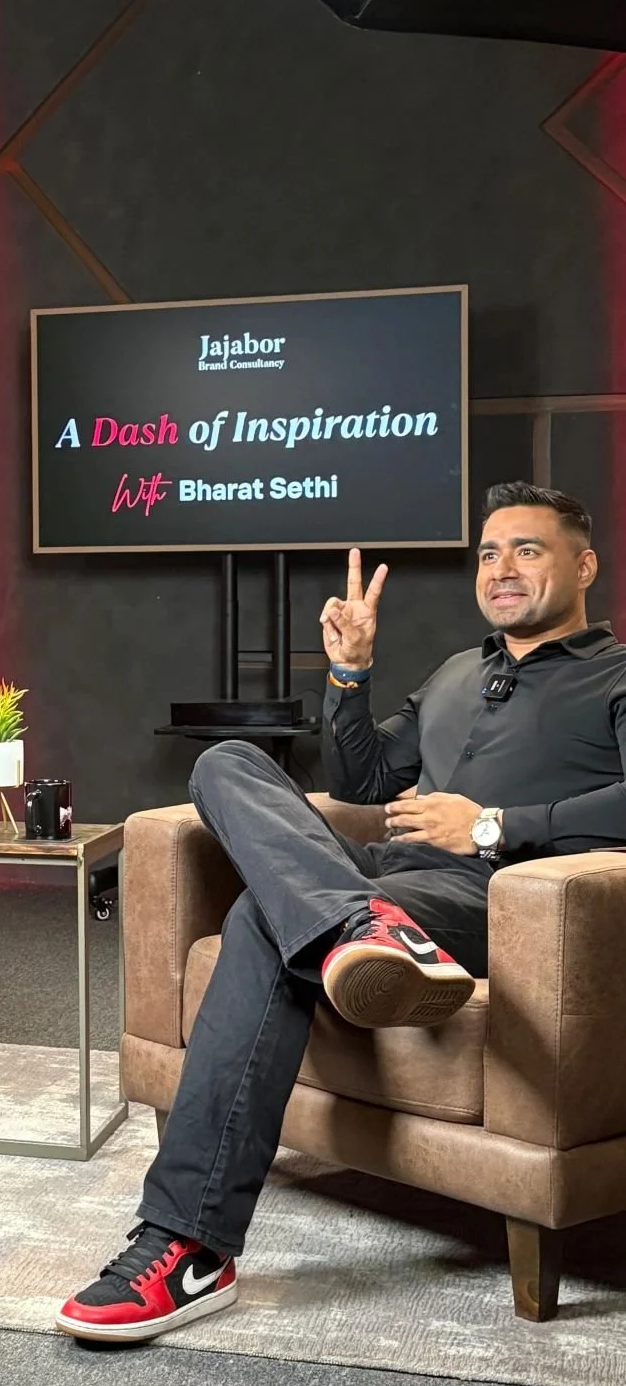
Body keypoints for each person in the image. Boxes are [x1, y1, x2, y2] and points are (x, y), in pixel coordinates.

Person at [57, 480, 626, 1342]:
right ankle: (356, 923)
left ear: (583, 566)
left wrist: (492, 826)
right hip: (381, 874)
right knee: (227, 764)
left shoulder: (615, 676)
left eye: (526, 550)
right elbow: (362, 781)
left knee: (263, 918)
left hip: (497, 895)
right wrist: (350, 673)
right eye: (488, 554)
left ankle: (188, 1247)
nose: (501, 569)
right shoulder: (458, 673)